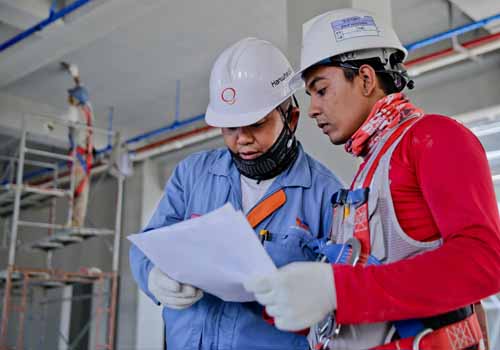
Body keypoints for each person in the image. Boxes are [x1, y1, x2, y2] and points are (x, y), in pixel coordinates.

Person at [244, 8, 500, 350]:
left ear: (365, 79)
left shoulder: (433, 138)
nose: (313, 109)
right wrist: (292, 299)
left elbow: (484, 261)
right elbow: (365, 285)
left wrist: (337, 290)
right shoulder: (369, 172)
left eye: (320, 90)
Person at [129, 37, 343, 350]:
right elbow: (150, 244)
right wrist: (153, 277)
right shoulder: (192, 175)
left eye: (255, 124)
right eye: (229, 128)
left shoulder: (326, 195)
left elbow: (340, 297)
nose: (241, 139)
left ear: (291, 119)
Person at [61, 62, 94, 228]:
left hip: (78, 157)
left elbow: (67, 119)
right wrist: (75, 74)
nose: (69, 99)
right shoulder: (88, 109)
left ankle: (74, 222)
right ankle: (75, 221)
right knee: (81, 189)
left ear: (75, 100)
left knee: (77, 191)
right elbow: (82, 91)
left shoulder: (74, 112)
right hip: (84, 156)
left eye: (71, 97)